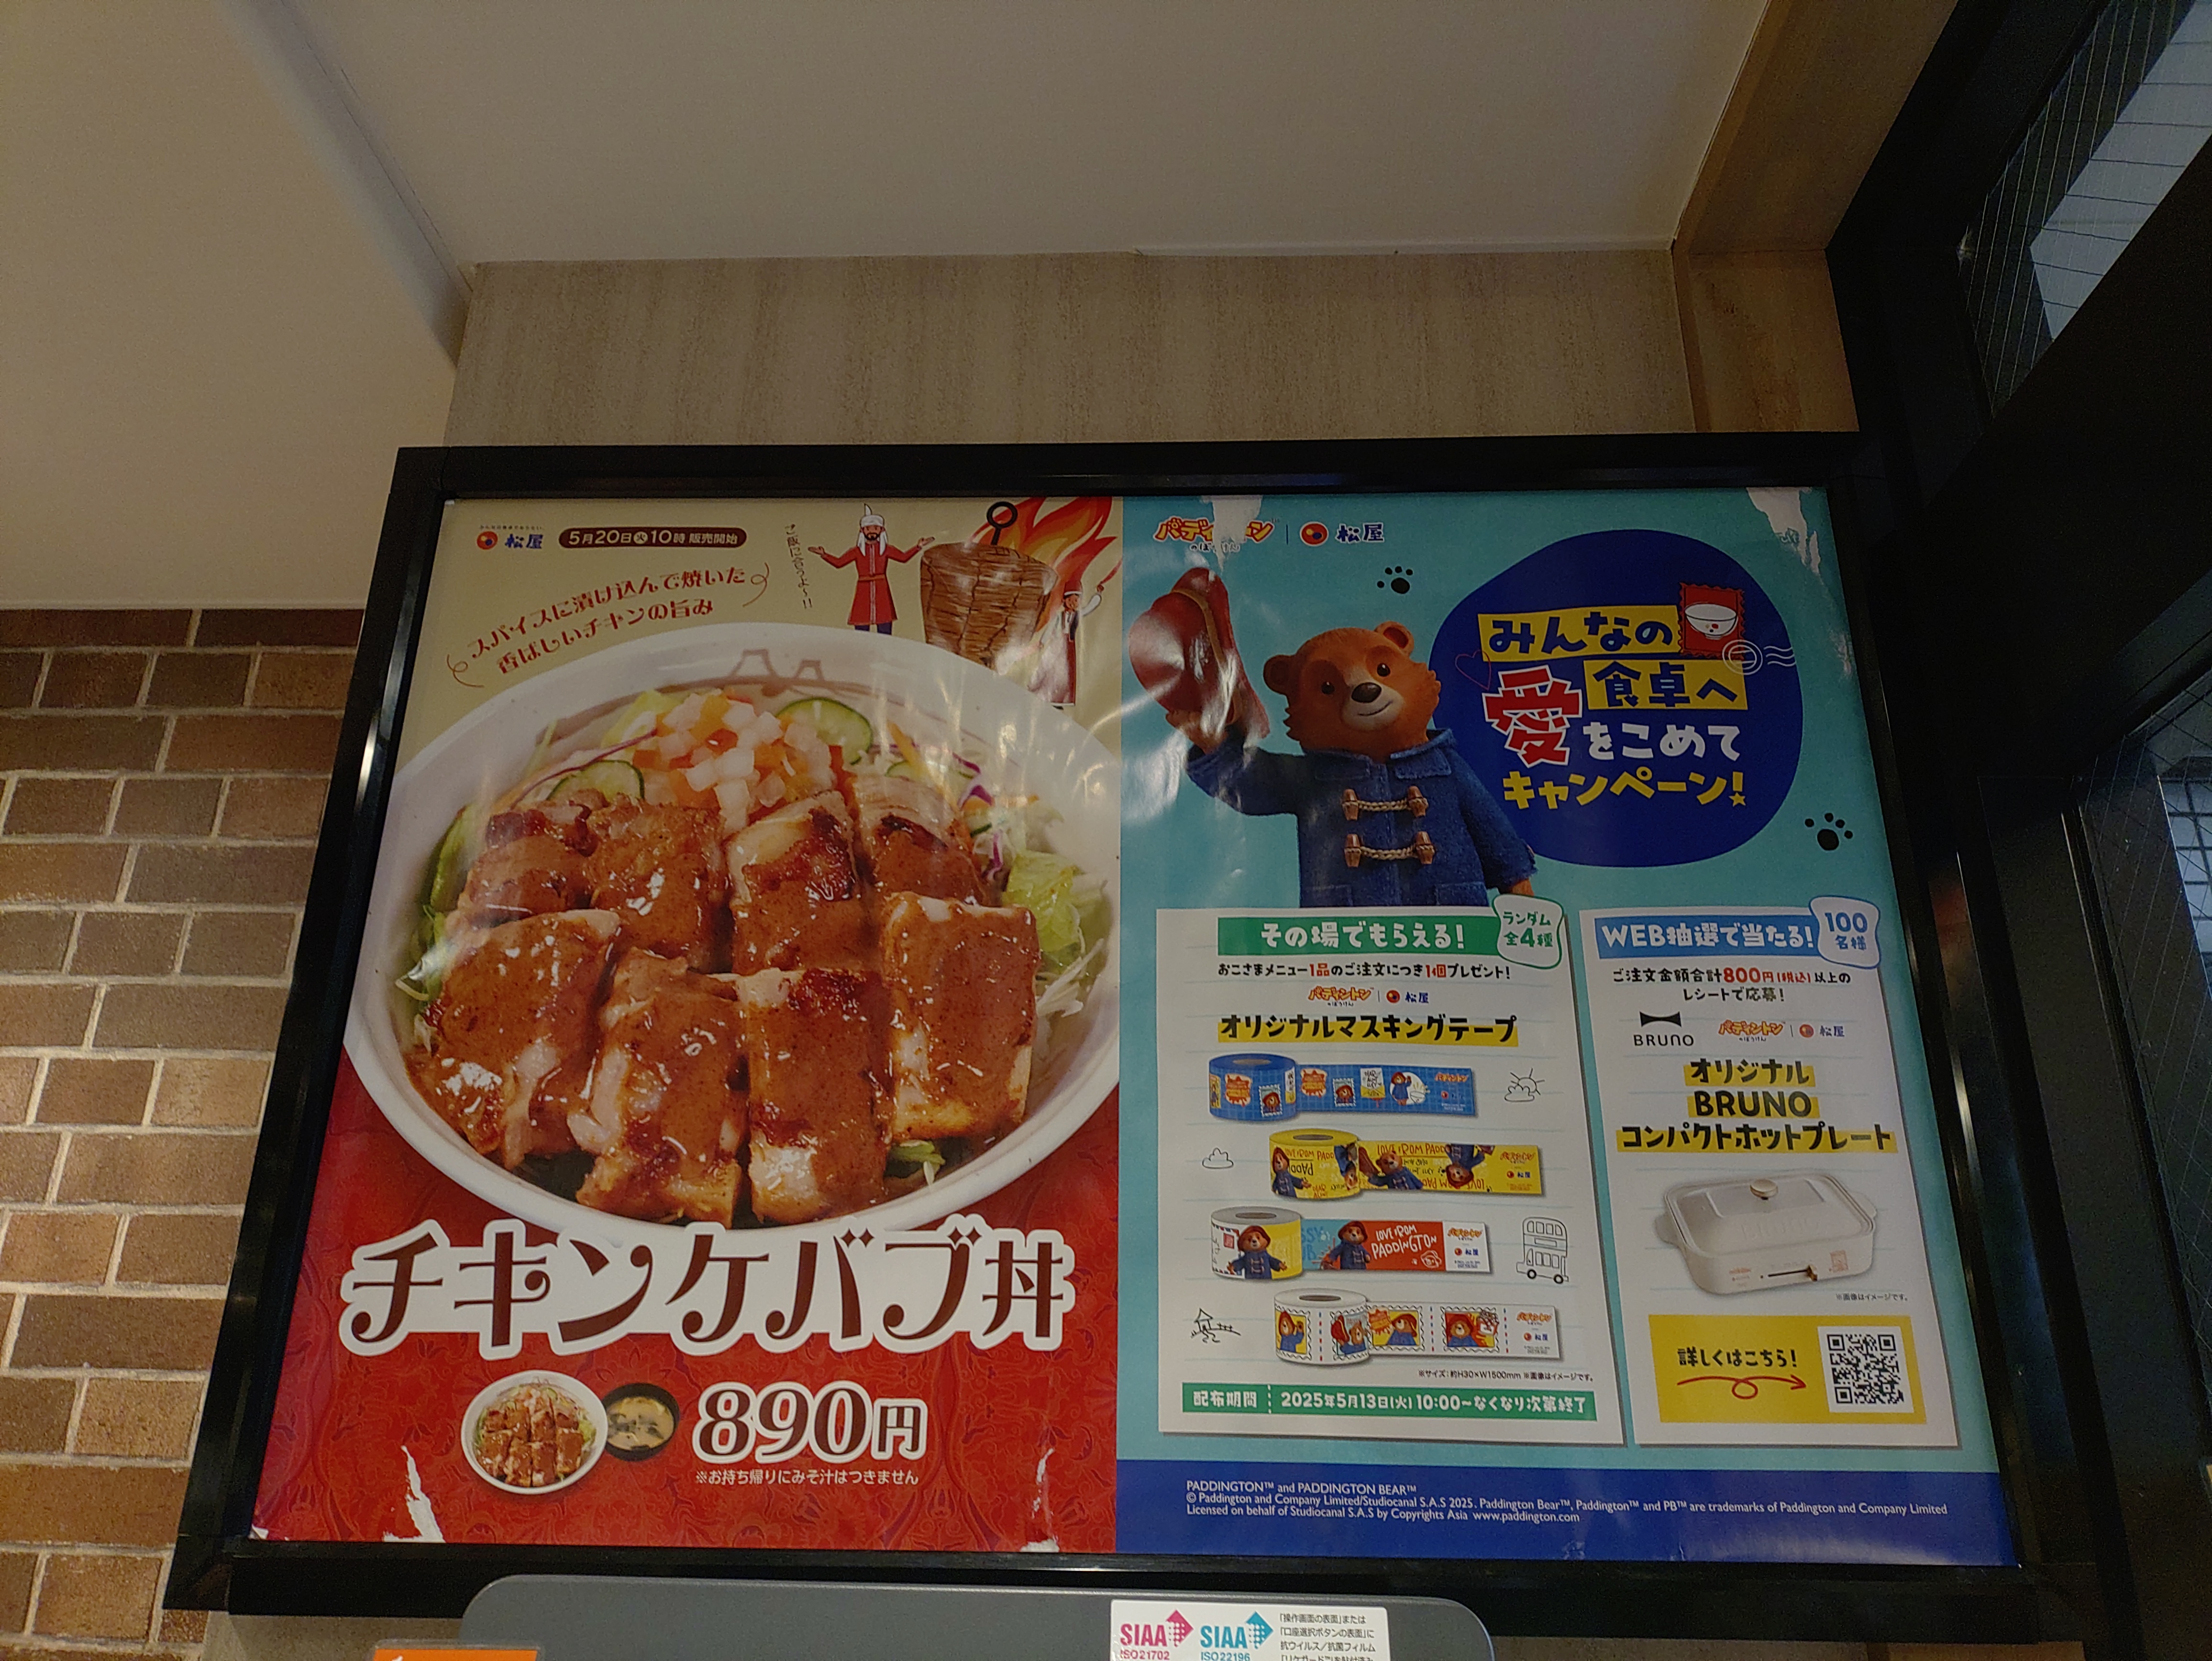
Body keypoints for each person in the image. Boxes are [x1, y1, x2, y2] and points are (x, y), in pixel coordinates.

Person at [812, 508, 931, 634]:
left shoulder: (886, 549)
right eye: (868, 529)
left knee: (884, 624)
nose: (872, 532)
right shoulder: (857, 551)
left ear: (882, 530)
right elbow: (839, 563)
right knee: (862, 626)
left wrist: (918, 547)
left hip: (882, 589)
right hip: (863, 590)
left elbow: (903, 558)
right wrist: (824, 555)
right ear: (862, 531)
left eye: (876, 528)